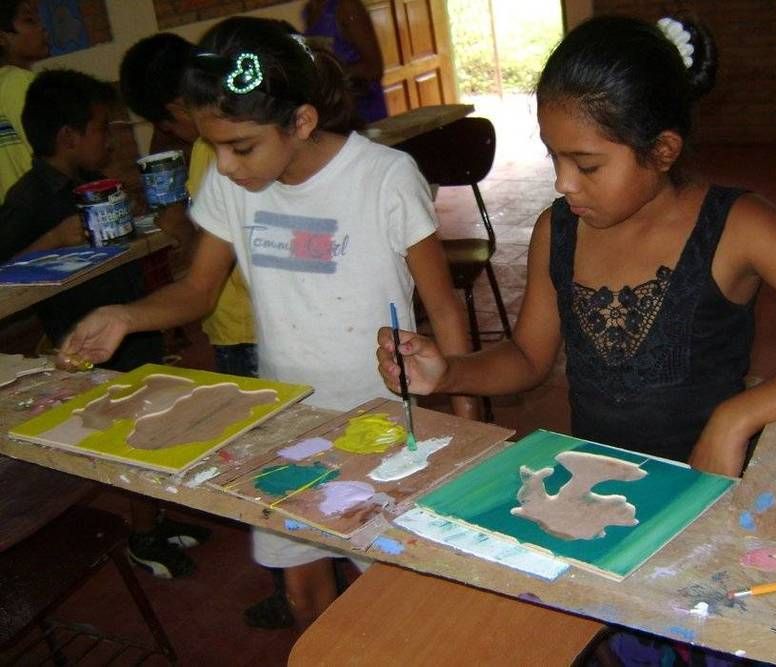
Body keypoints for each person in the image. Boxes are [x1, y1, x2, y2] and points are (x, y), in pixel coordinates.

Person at [57, 16, 475, 629]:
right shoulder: (237, 186)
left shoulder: (383, 177)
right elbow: (199, 290)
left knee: (396, 599)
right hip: (286, 424)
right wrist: (124, 314)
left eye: (241, 147)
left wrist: (463, 422)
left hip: (385, 422)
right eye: (213, 147)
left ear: (301, 122)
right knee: (307, 596)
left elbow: (442, 308)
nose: (224, 166)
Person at [376, 15, 776, 479]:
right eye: (553, 158)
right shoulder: (557, 231)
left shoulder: (737, 226)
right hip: (599, 482)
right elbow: (527, 358)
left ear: (662, 150)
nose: (564, 183)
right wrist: (451, 372)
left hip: (706, 483)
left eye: (586, 165)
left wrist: (737, 417)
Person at [0, 68, 210, 579]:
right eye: (101, 128)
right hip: (89, 338)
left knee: (157, 421)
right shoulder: (30, 199)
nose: (112, 138)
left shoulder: (87, 188)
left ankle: (154, 518)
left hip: (128, 323)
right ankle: (140, 532)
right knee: (127, 436)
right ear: (68, 137)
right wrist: (52, 241)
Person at [119, 33, 257, 378]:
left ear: (178, 108)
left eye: (168, 126)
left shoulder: (209, 150)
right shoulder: (229, 142)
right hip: (239, 324)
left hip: (244, 326)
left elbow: (213, 259)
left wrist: (180, 227)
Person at [303, 0, 388, 123]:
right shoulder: (309, 10)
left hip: (362, 109)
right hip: (335, 112)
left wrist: (331, 73)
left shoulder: (347, 6)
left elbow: (374, 68)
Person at [0, 0, 47, 201]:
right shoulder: (19, 82)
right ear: (2, 37)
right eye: (29, 21)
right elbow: (55, 158)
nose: (42, 28)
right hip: (42, 219)